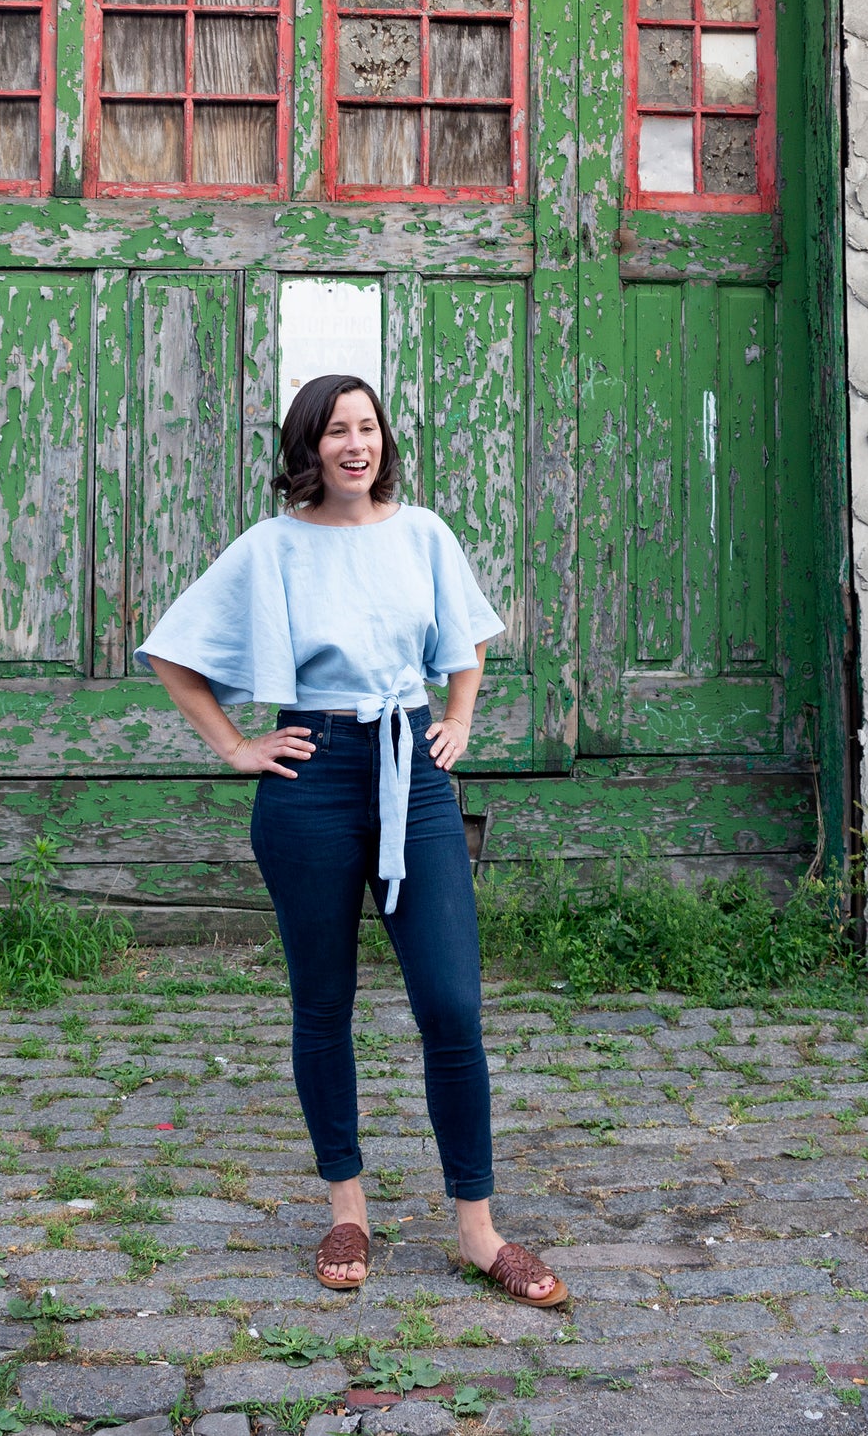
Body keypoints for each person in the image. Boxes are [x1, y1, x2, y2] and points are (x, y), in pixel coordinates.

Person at [136, 374, 565, 1305]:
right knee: (321, 1005)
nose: (355, 445)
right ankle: (347, 1209)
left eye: (367, 428)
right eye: (336, 431)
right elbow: (173, 652)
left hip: (413, 772)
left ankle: (478, 1232)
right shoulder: (271, 547)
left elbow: (466, 645)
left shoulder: (423, 534)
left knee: (451, 1005)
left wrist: (456, 720)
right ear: (309, 447)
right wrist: (239, 747)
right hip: (313, 777)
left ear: (382, 442)